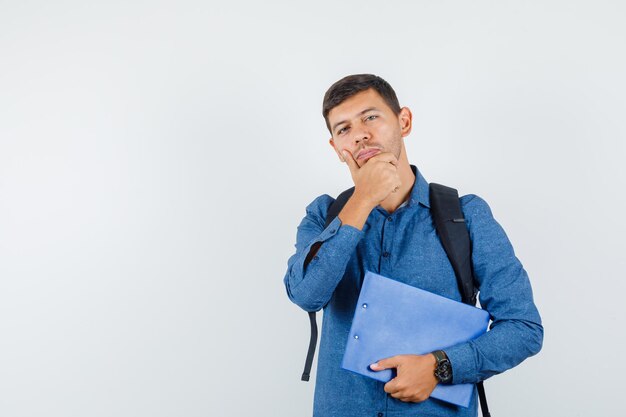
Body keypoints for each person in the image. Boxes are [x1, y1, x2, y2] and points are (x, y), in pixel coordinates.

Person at [283, 74, 543, 417]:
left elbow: (523, 327)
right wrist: (363, 199)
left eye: (370, 117)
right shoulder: (323, 215)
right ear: (336, 148)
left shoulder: (466, 215)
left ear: (403, 121)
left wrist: (439, 367)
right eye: (343, 128)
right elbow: (306, 294)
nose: (360, 133)